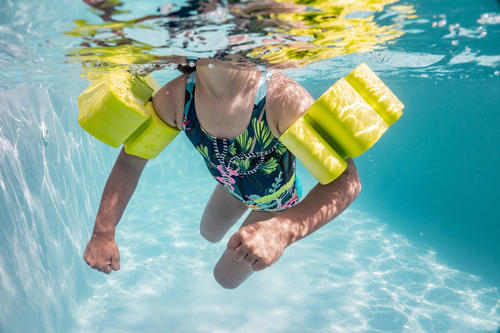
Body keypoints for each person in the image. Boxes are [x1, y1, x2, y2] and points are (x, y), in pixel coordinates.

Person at [83, 58, 362, 288]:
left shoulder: (282, 100)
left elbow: (347, 181)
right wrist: (103, 232)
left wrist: (282, 231)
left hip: (276, 202)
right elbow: (130, 162)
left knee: (224, 278)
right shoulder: (178, 97)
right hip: (231, 186)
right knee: (208, 233)